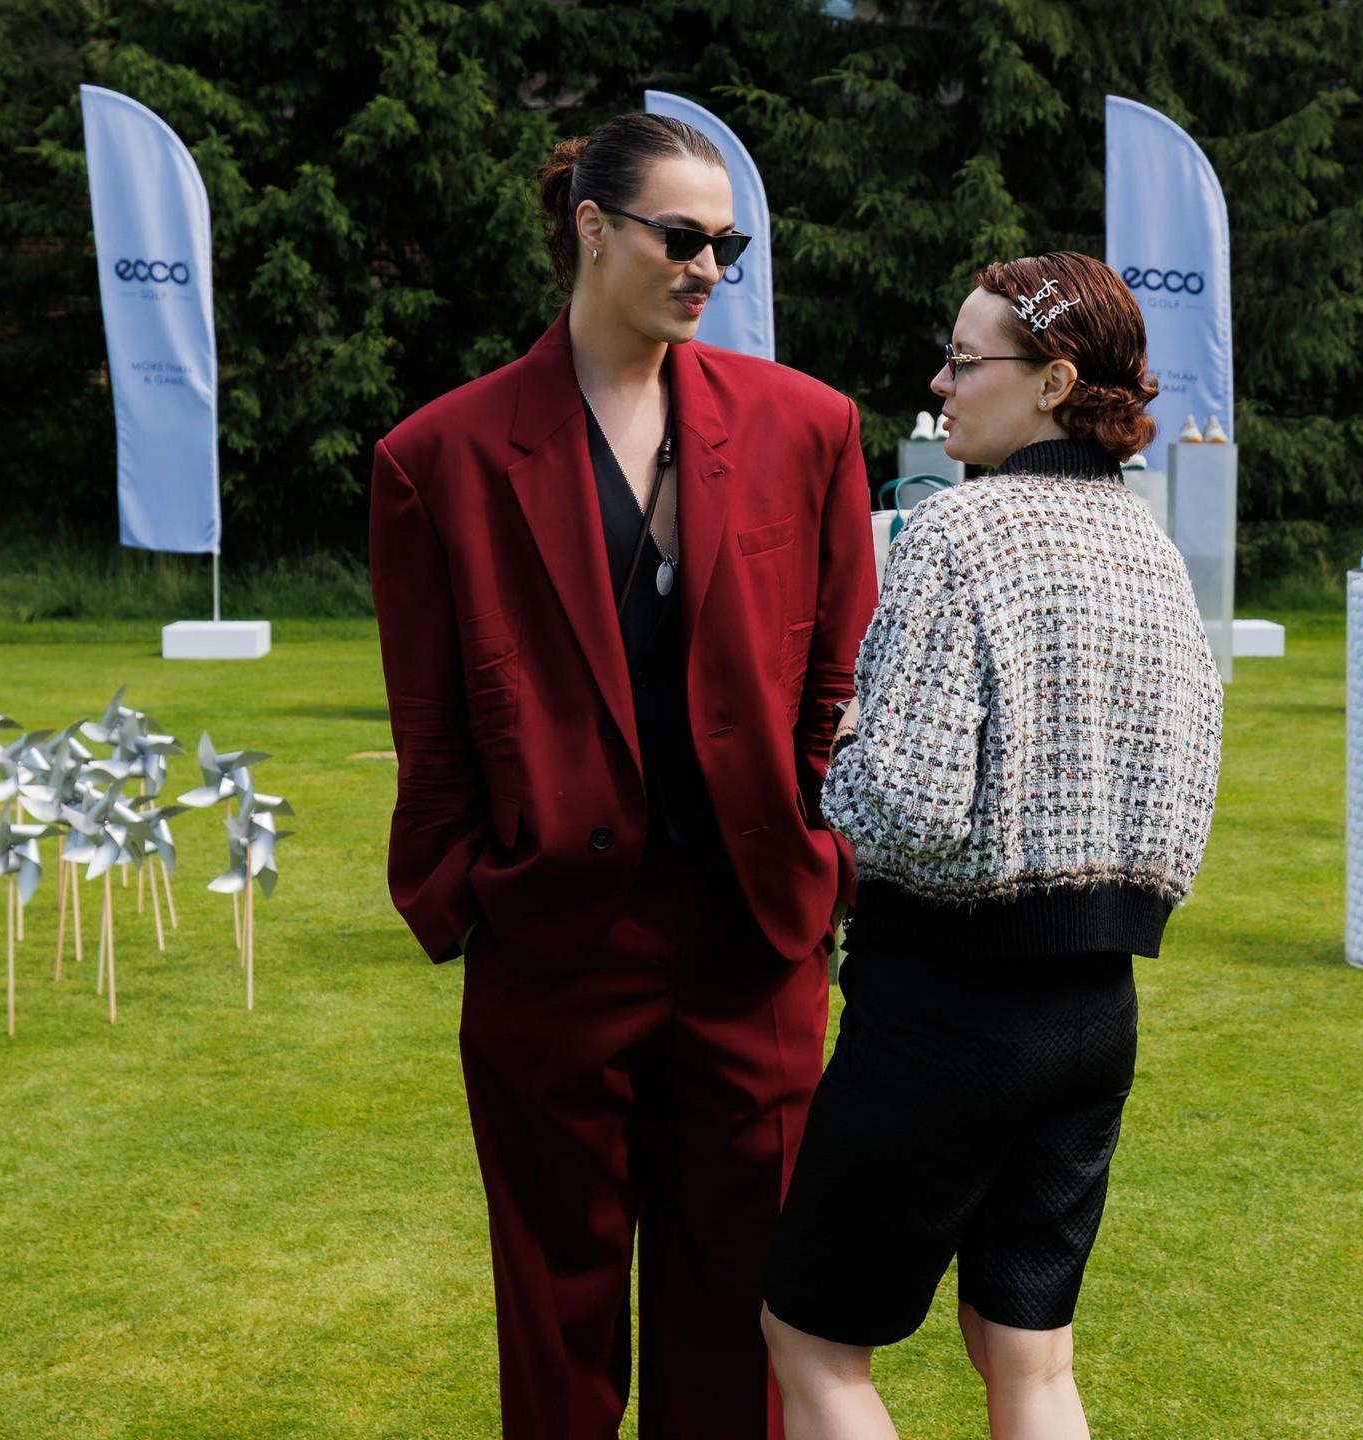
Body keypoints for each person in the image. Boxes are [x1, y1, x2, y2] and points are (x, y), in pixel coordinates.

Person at [368, 112, 875, 1439]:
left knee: (741, 1324)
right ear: (592, 228)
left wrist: (823, 866)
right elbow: (431, 726)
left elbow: (839, 679)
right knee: (558, 1327)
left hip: (754, 947)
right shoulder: (440, 457)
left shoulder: (808, 427)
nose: (709, 269)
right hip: (549, 953)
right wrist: (467, 896)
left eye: (728, 247)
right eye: (683, 238)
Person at [761, 251, 1224, 1439]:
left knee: (813, 1345)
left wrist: (840, 756)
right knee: (1027, 1354)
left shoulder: (957, 531)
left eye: (965, 362)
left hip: (948, 1007)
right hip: (1099, 1012)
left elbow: (902, 809)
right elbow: (1187, 795)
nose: (942, 383)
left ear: (1054, 381)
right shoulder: (1152, 550)